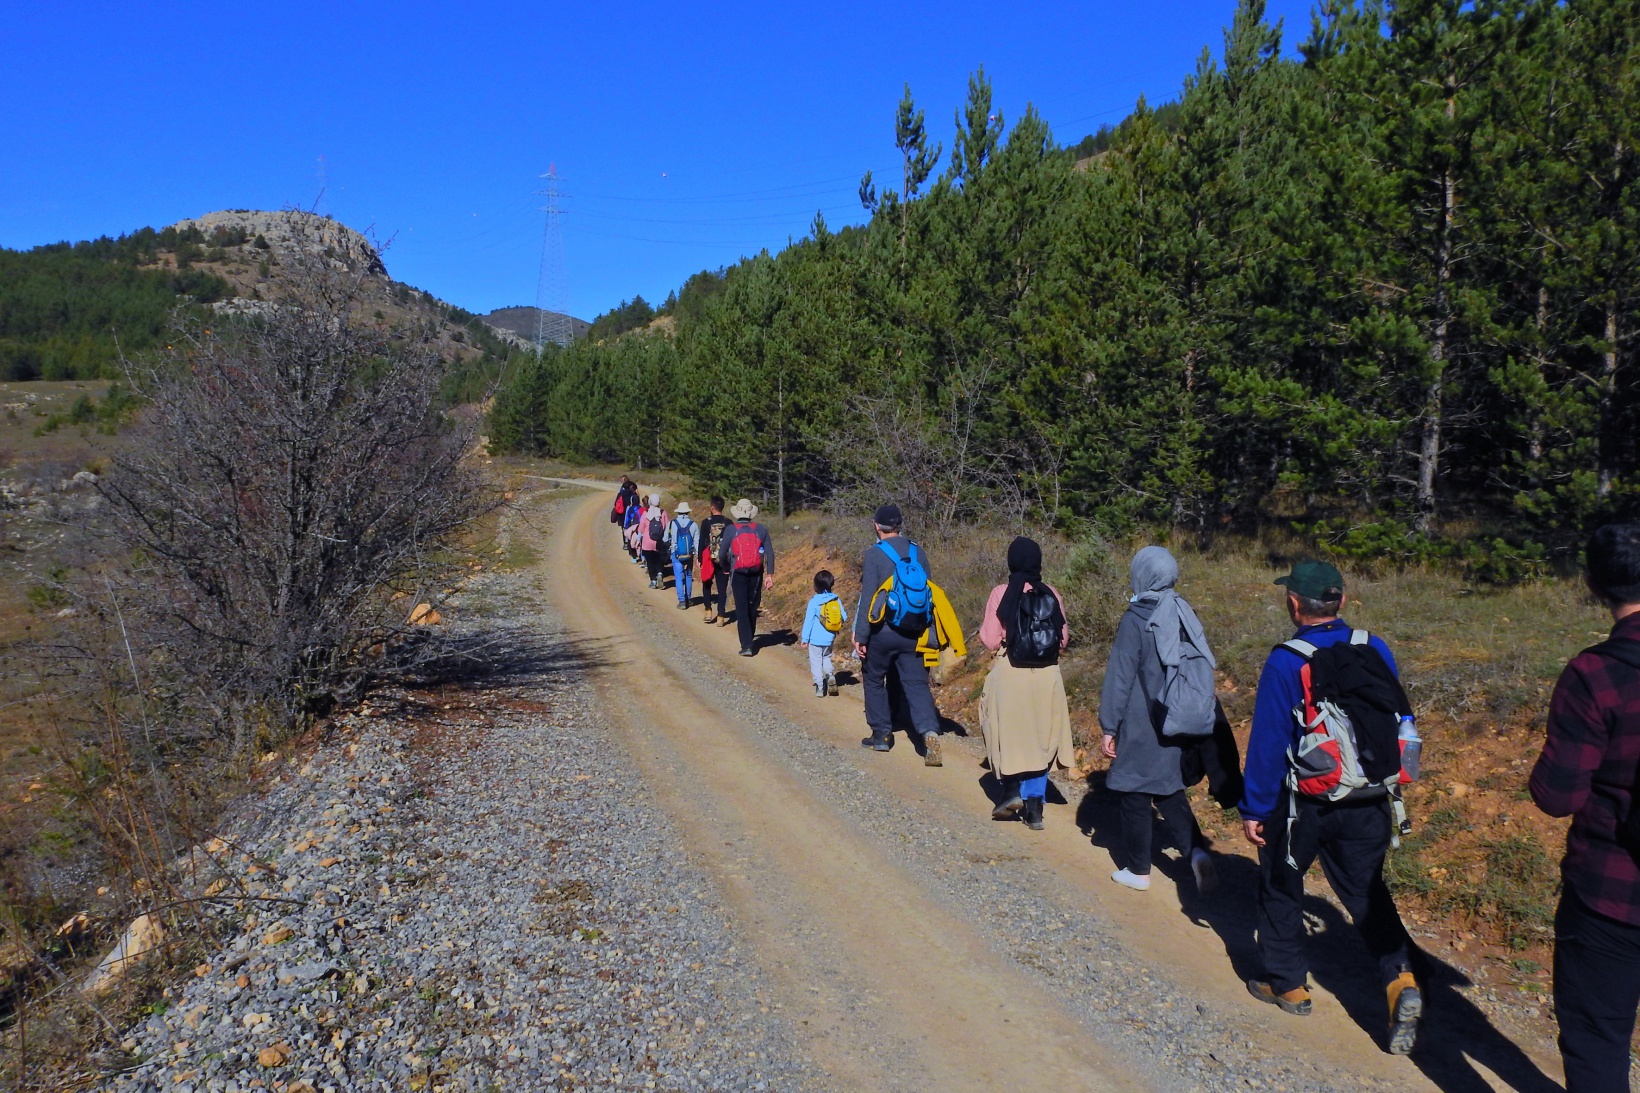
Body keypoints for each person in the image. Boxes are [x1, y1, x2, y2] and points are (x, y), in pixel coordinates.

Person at [1239, 559, 1421, 1055]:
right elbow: (1396, 712)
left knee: (1281, 881)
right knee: (1366, 891)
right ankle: (1400, 978)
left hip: (1306, 801)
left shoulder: (1286, 660)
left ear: (1295, 604)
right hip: (1370, 796)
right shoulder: (1373, 646)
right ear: (1340, 601)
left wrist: (1255, 807)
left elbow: (1269, 742)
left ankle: (1289, 985)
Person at [1529, 523, 1640, 1093]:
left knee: (1598, 1038)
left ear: (1593, 585)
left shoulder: (1596, 673)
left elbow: (1558, 796)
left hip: (1612, 892)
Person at [1098, 546, 1218, 890]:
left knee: (1134, 791)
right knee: (1168, 791)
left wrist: (1109, 725)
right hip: (1178, 718)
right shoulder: (1183, 612)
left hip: (1141, 721)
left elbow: (1120, 677)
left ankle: (1138, 870)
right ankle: (1196, 853)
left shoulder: (1136, 618)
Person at [978, 536, 1073, 831]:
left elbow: (991, 639)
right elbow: (1063, 639)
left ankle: (1009, 791)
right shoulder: (1052, 593)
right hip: (1047, 675)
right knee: (1040, 739)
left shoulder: (1001, 593)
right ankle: (1034, 809)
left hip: (1011, 672)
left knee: (1004, 732)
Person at [853, 504, 943, 765]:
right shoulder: (918, 552)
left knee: (873, 677)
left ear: (876, 526)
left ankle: (881, 734)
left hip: (883, 631)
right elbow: (929, 595)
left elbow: (868, 598)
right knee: (916, 684)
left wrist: (861, 636)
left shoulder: (874, 554)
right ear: (900, 526)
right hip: (915, 632)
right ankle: (928, 732)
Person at [718, 498, 775, 656]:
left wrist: (725, 567)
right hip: (756, 573)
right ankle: (750, 637)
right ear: (751, 513)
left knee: (741, 607)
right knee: (752, 605)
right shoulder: (761, 529)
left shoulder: (731, 530)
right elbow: (769, 553)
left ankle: (747, 645)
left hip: (738, 572)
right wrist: (769, 574)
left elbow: (722, 553)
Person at [801, 570, 848, 698]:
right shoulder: (835, 599)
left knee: (816, 661)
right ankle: (830, 675)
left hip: (815, 639)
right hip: (829, 637)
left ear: (815, 586)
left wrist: (805, 638)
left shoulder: (814, 601)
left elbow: (808, 621)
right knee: (826, 657)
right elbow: (844, 616)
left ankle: (820, 688)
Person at [698, 497, 731, 625]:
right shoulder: (728, 522)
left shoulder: (706, 522)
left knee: (707, 583)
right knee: (722, 588)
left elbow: (702, 542)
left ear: (712, 508)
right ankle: (721, 616)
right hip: (723, 559)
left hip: (708, 558)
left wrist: (700, 559)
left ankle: (707, 610)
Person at [665, 501, 698, 610]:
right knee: (688, 576)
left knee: (679, 577)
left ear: (678, 512)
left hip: (676, 553)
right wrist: (697, 555)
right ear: (688, 512)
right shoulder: (693, 525)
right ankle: (688, 598)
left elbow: (665, 539)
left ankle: (682, 601)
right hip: (689, 554)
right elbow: (696, 542)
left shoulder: (672, 523)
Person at [638, 493, 669, 588]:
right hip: (659, 541)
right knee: (659, 560)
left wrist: (639, 538)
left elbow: (641, 528)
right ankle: (660, 573)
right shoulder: (663, 512)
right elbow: (666, 526)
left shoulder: (646, 513)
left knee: (650, 562)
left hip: (647, 542)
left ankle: (653, 581)